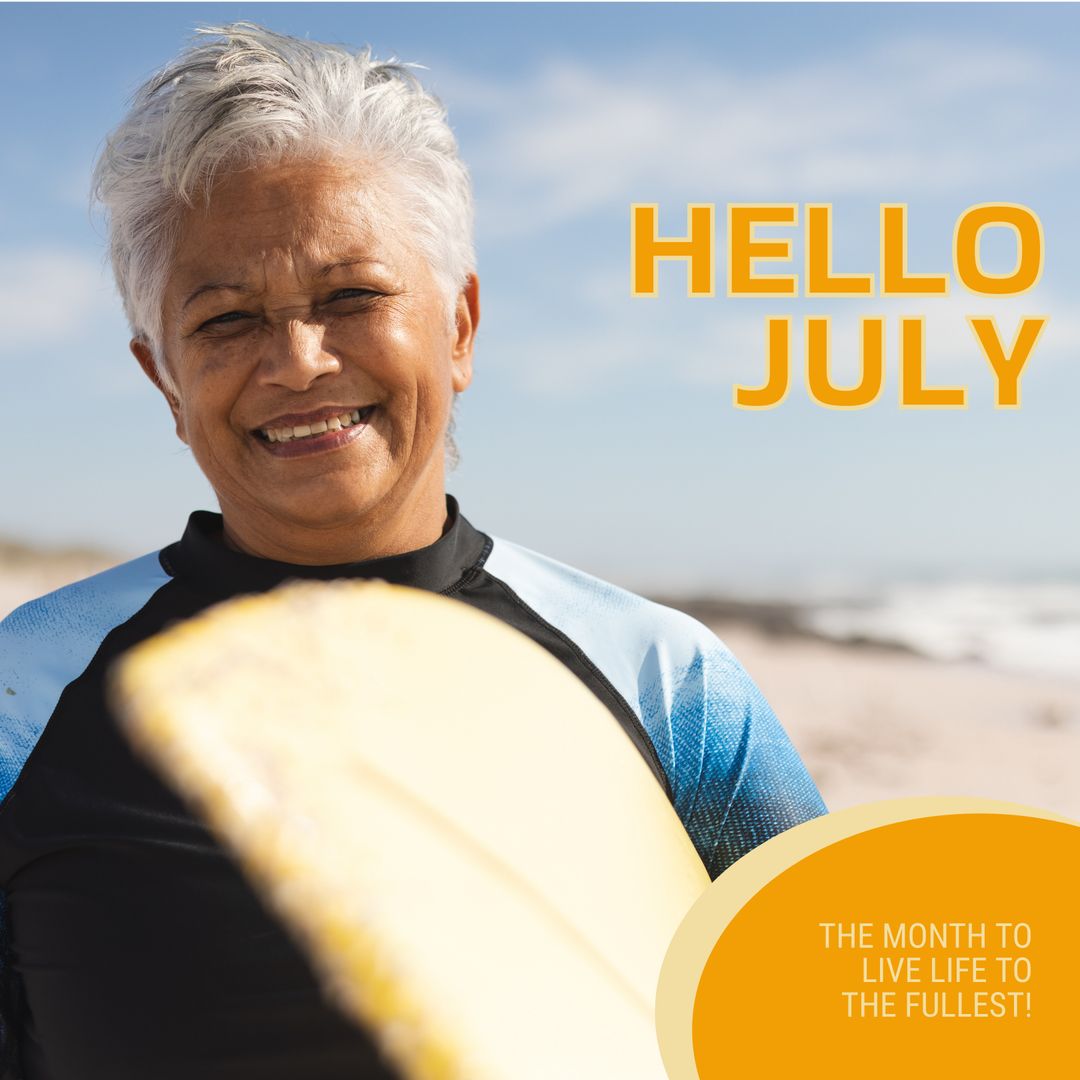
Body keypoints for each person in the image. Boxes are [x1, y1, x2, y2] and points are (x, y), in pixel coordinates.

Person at [0, 22, 826, 1080]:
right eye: (226, 319)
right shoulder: (27, 695)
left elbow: (825, 1032)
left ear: (462, 327)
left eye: (352, 297)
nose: (298, 362)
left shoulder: (668, 683)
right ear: (163, 377)